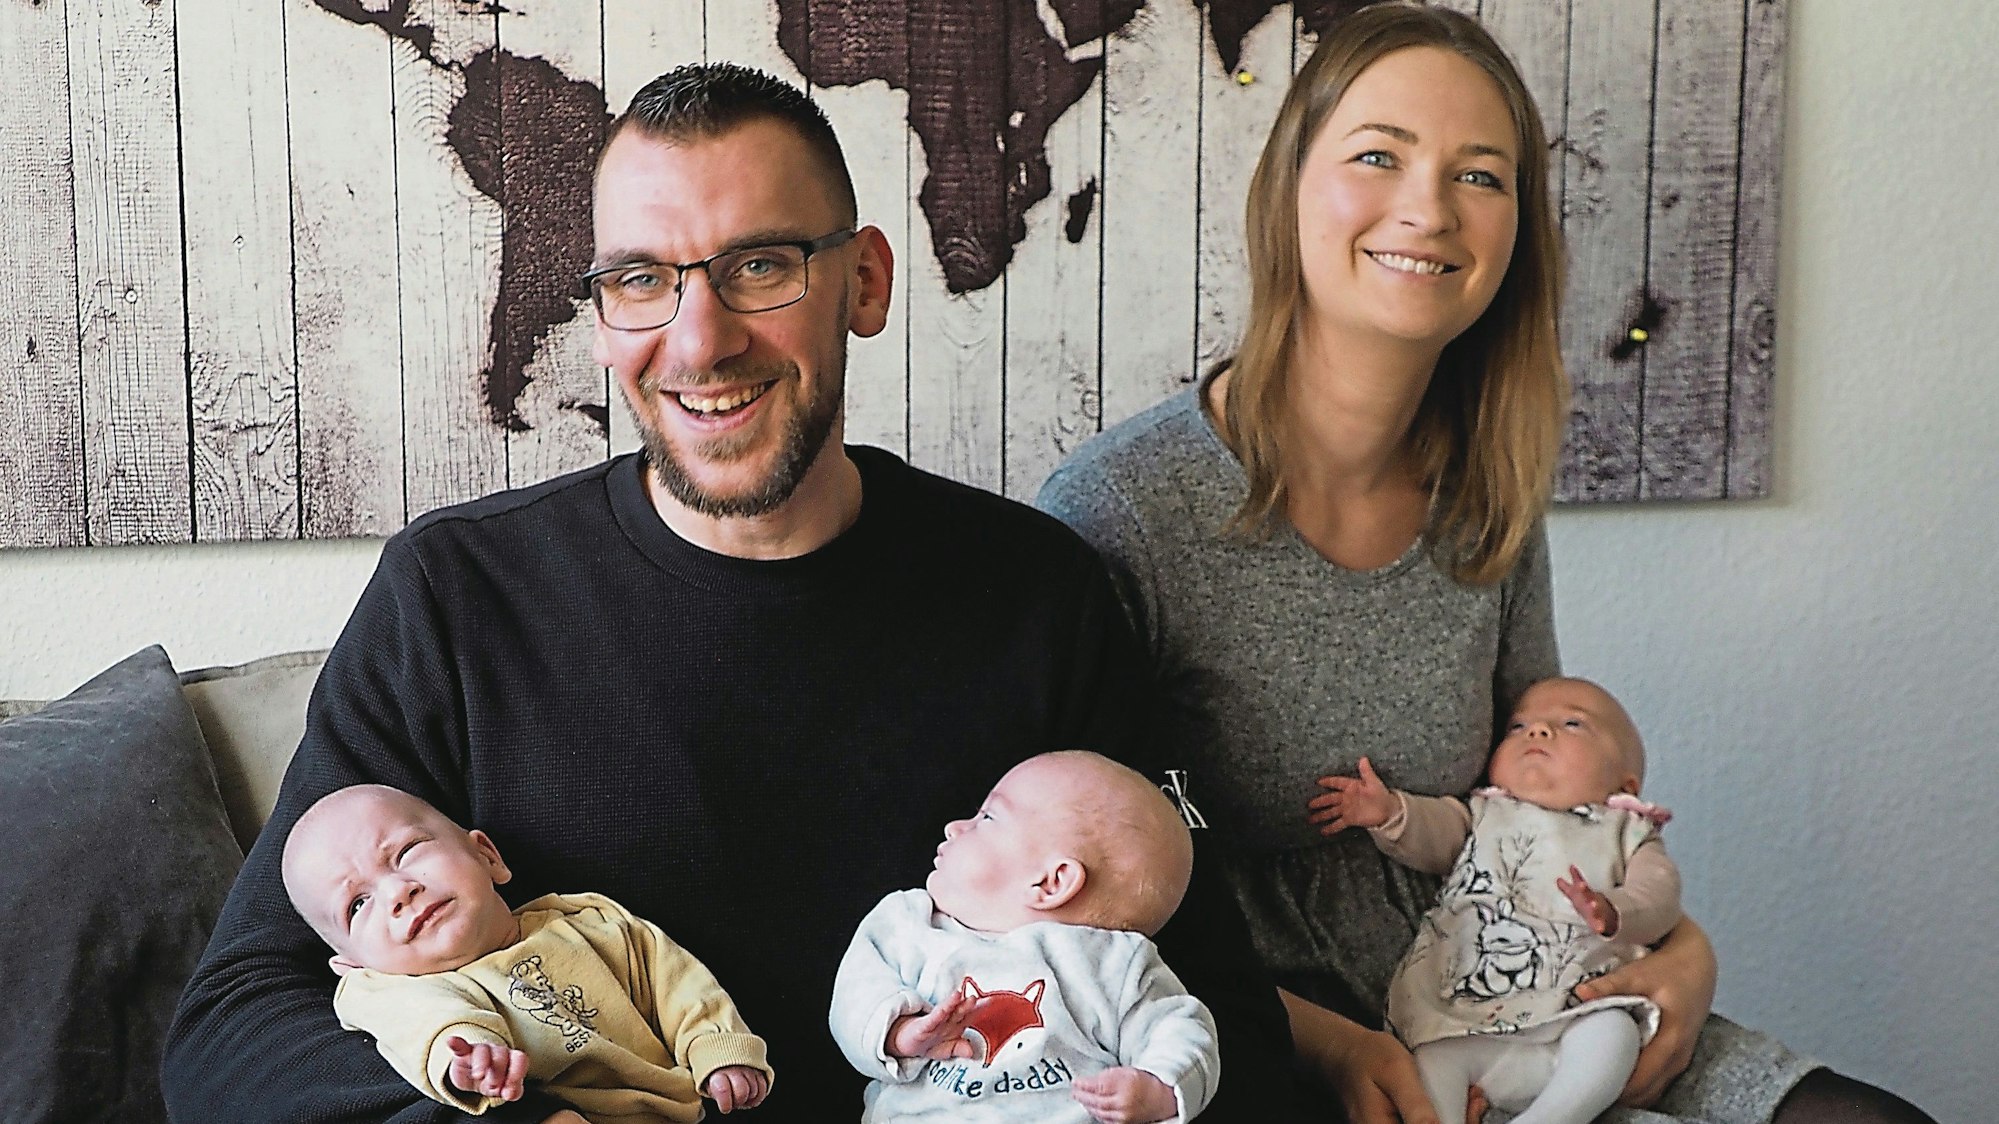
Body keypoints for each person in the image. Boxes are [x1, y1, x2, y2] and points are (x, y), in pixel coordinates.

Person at [163, 62, 1301, 1123]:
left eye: (758, 265)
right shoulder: (460, 595)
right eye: (642, 279)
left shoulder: (1035, 592)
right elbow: (234, 1027)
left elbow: (1221, 1018)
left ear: (863, 281)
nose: (698, 341)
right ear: (603, 317)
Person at [1040, 4, 1930, 1122]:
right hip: (1248, 1036)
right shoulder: (1121, 510)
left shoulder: (1486, 491)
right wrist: (1319, 1042)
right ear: (1288, 188)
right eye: (1378, 155)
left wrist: (1685, 953)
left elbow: (1549, 800)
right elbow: (1063, 900)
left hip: (1519, 991)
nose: (1428, 208)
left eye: (1481, 175)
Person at [281, 784, 771, 1119]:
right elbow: (424, 1022)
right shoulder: (386, 986)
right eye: (358, 904)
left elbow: (677, 984)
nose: (398, 893)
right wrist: (470, 1059)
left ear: (486, 855)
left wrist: (718, 1048)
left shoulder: (590, 922)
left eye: (406, 853)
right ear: (351, 964)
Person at [1314, 678, 1677, 1124]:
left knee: (1614, 1034)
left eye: (1572, 723)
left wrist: (1615, 909)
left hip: (1574, 1010)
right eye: (1518, 725)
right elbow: (1433, 831)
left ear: (1627, 783)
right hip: (1468, 1014)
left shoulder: (1626, 831)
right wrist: (1391, 812)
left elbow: (1659, 894)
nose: (1537, 731)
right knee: (1430, 1059)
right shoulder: (1484, 814)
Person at [830, 751, 1218, 1123]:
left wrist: (1160, 1088)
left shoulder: (1114, 964)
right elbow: (854, 996)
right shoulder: (909, 923)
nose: (954, 827)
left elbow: (1182, 1028)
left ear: (1051, 882)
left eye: (986, 817)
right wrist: (899, 1034)